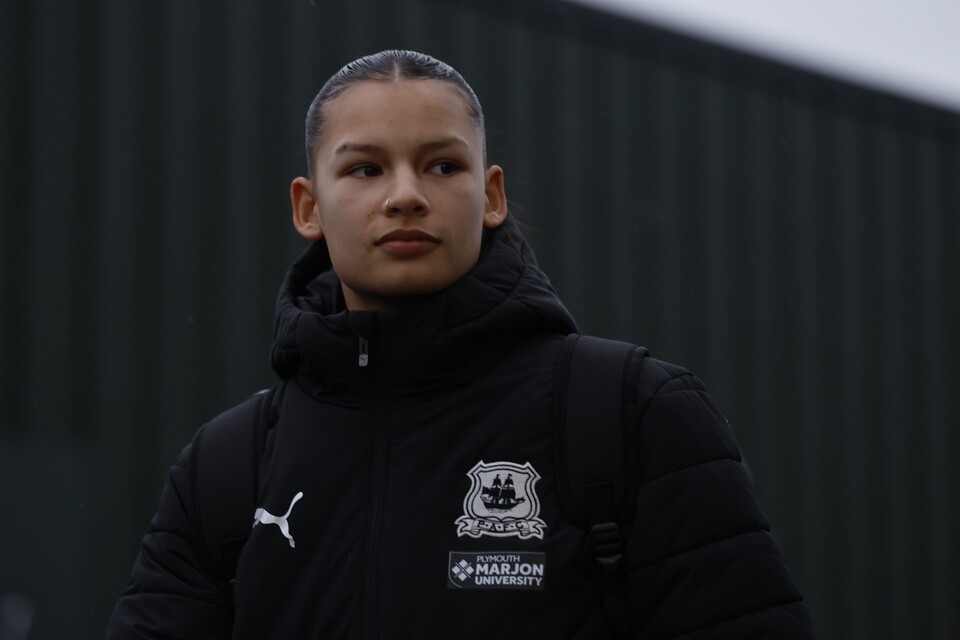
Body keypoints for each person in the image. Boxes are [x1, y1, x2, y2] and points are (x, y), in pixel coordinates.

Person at [108, 50, 814, 638]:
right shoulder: (227, 466)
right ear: (308, 207)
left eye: (443, 165)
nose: (406, 195)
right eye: (365, 169)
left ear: (493, 194)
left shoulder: (630, 413)